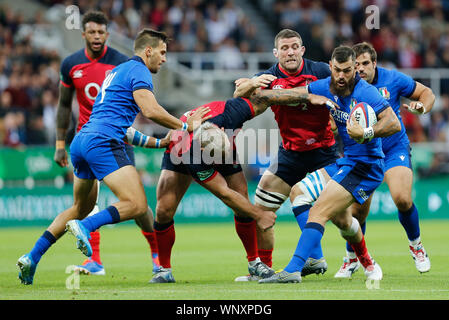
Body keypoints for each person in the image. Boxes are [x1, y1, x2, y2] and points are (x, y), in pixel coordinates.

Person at [17, 28, 210, 285]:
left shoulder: (115, 73)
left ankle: (32, 257)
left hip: (82, 141)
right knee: (138, 205)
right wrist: (185, 127)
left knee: (79, 208)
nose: (164, 59)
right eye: (162, 53)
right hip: (102, 142)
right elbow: (150, 110)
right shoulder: (139, 70)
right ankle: (86, 227)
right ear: (148, 50)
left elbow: (125, 128)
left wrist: (158, 142)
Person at [131, 88, 336, 283]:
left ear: (223, 132)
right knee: (164, 209)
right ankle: (164, 270)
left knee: (242, 197)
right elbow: (225, 194)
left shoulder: (232, 114)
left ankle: (254, 262)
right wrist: (260, 214)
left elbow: (265, 99)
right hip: (180, 146)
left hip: (217, 143)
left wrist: (305, 97)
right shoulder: (192, 154)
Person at [259, 45, 401, 284]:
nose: (341, 76)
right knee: (303, 196)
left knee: (319, 210)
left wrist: (367, 132)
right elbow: (295, 93)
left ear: (355, 68)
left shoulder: (366, 93)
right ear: (331, 67)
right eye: (337, 70)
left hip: (366, 166)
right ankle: (367, 262)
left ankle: (294, 269)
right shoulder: (326, 85)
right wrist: (262, 93)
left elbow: (394, 123)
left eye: (346, 71)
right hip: (346, 163)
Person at [54, 10, 160, 276]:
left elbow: (135, 103)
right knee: (90, 203)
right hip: (85, 138)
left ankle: (157, 255)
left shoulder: (122, 63)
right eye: (92, 31)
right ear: (84, 34)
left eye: (101, 32)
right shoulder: (71, 64)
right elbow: (64, 105)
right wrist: (59, 142)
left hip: (117, 137)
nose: (97, 36)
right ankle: (95, 260)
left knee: (139, 207)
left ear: (108, 34)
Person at [233, 29, 338, 280]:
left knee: (343, 219)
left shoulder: (321, 71)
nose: (290, 51)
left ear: (302, 50)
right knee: (261, 211)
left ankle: (359, 260)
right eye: (284, 48)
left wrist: (337, 117)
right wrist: (250, 82)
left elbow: (343, 91)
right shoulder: (268, 77)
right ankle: (265, 268)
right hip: (291, 152)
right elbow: (238, 95)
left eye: (294, 46)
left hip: (323, 151)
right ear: (276, 53)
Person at [333, 42, 434, 278]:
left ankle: (417, 246)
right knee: (358, 212)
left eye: (365, 63)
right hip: (362, 154)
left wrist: (423, 107)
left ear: (374, 63)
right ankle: (351, 259)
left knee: (402, 198)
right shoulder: (345, 87)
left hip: (392, 148)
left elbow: (427, 93)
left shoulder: (393, 79)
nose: (360, 69)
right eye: (355, 65)